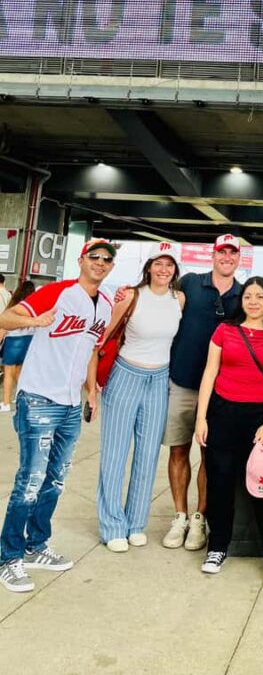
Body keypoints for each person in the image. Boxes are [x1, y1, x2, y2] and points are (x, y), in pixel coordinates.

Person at [0, 239, 115, 593]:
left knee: (56, 480)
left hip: (69, 404)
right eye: (94, 256)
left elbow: (92, 350)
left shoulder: (106, 303)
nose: (100, 262)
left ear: (111, 266)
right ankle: (8, 557)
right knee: (31, 481)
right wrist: (35, 319)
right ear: (81, 260)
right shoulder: (57, 292)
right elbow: (5, 317)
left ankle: (36, 545)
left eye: (106, 259)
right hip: (38, 397)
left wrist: (91, 391)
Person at [195, 276, 263, 581]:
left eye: (260, 296)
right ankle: (217, 547)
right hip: (222, 412)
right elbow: (210, 373)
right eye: (248, 296)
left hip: (259, 418)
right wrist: (201, 418)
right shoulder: (225, 330)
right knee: (220, 484)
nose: (253, 302)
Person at [97, 243, 185, 552]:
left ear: (175, 269)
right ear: (148, 267)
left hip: (159, 379)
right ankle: (112, 526)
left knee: (148, 456)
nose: (163, 270)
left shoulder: (179, 299)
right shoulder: (131, 296)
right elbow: (104, 338)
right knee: (115, 454)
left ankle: (136, 524)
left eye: (169, 264)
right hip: (126, 375)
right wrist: (91, 384)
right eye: (158, 263)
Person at [161, 233, 242, 551]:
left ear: (238, 258)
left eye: (232, 253)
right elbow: (156, 295)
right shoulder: (191, 283)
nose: (226, 257)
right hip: (182, 382)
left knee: (211, 455)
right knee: (178, 450)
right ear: (213, 255)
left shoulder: (242, 294)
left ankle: (199, 517)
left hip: (220, 391)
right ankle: (180, 515)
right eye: (222, 252)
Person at [0, 281, 35, 413]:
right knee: (20, 372)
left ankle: (6, 403)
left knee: (8, 373)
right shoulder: (34, 306)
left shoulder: (15, 306)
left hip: (13, 340)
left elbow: (4, 326)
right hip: (28, 341)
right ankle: (21, 400)